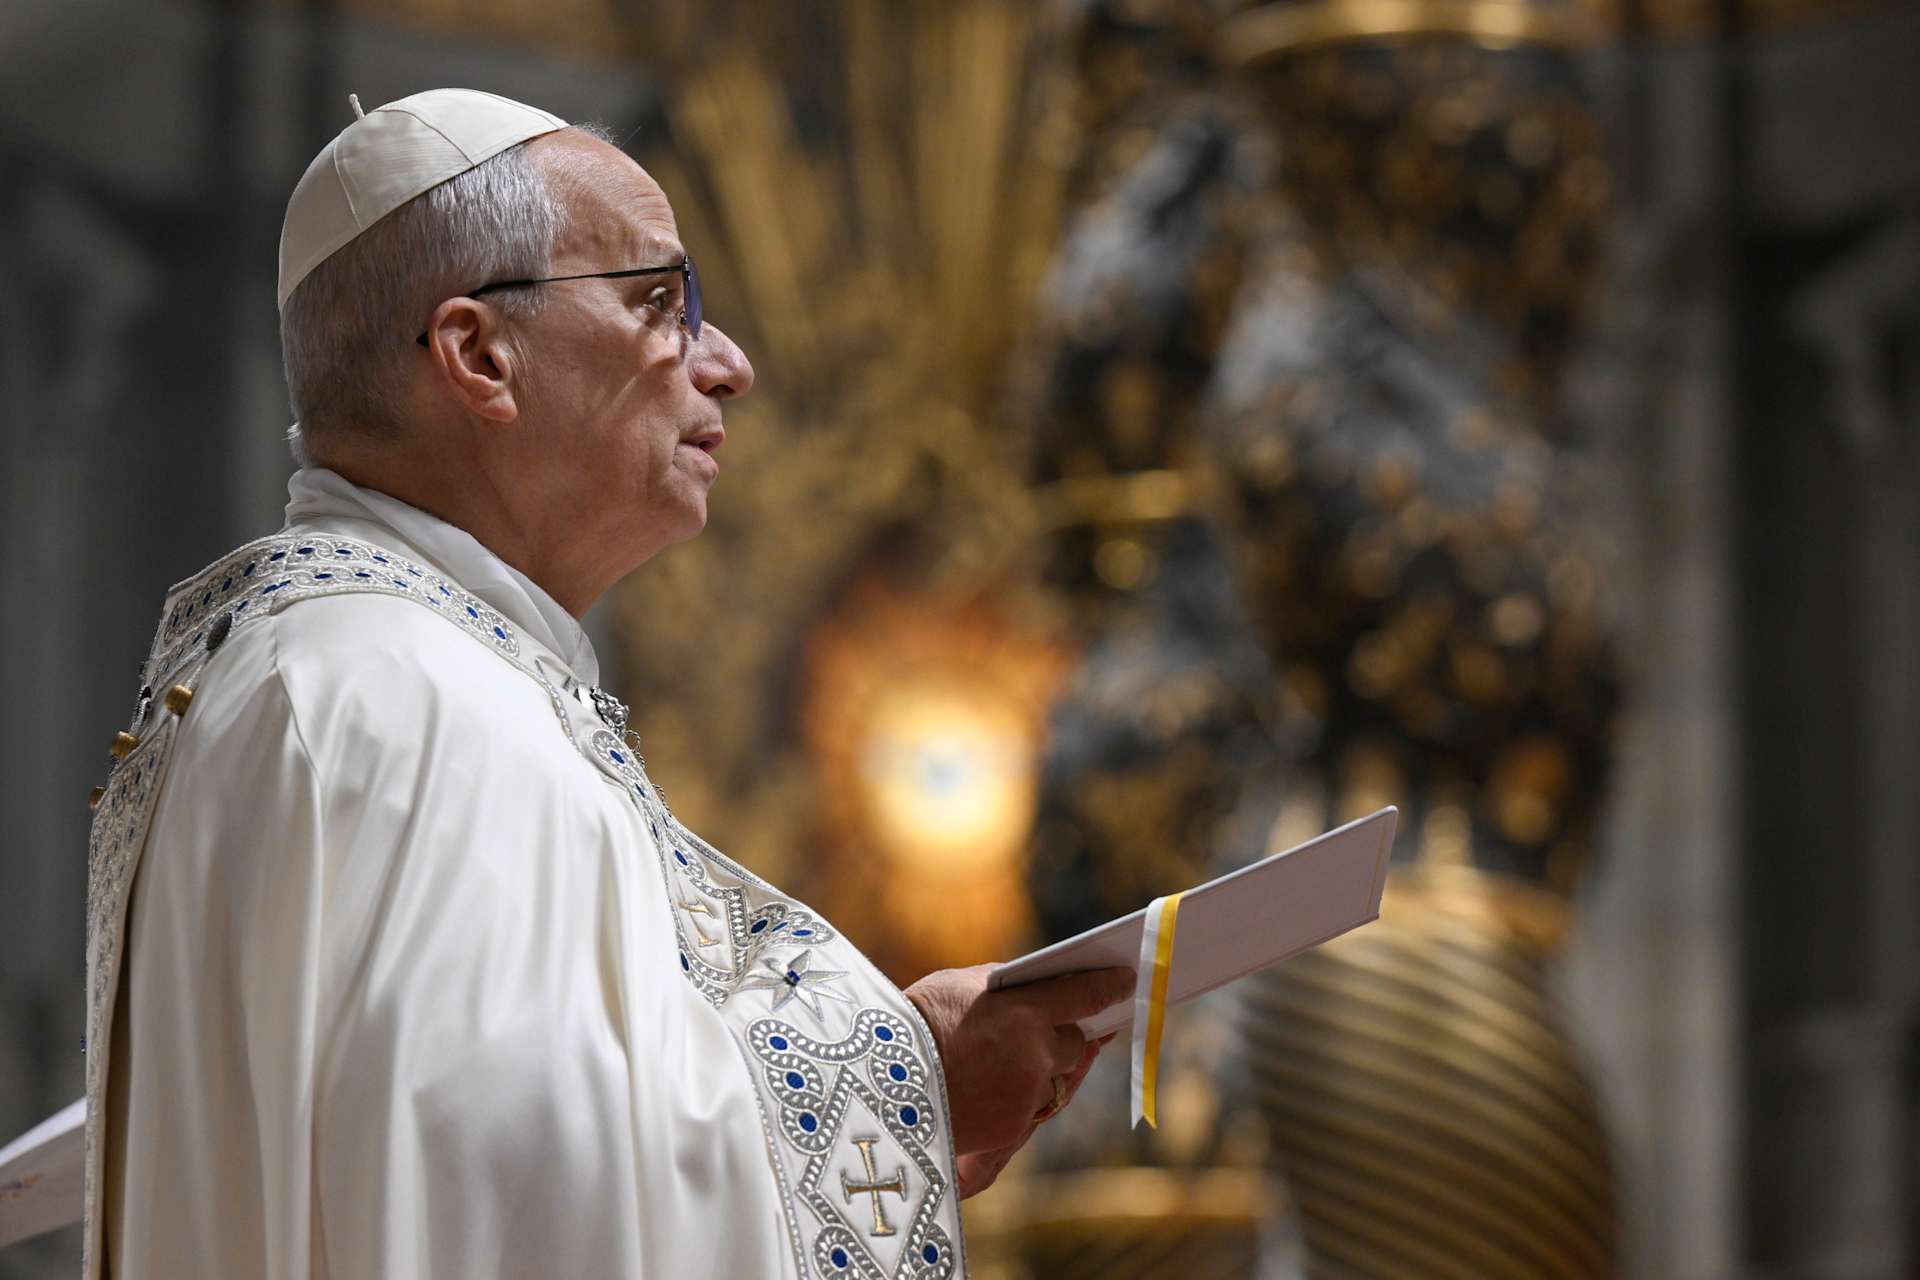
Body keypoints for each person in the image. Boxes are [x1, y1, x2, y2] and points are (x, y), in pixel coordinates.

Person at [82, 88, 1132, 1279]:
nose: (727, 363)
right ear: (481, 353)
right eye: (658, 303)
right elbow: (498, 1193)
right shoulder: (398, 700)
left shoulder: (363, 673)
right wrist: (904, 1082)